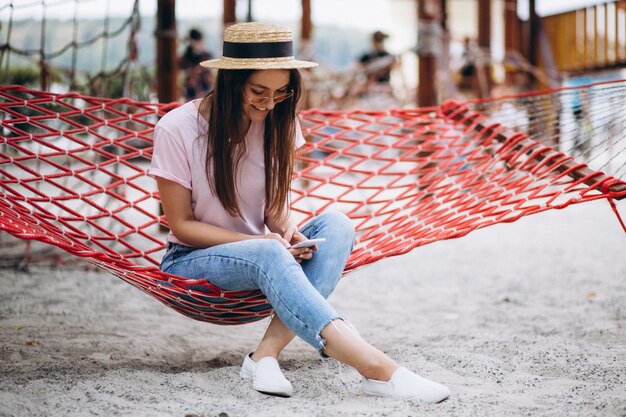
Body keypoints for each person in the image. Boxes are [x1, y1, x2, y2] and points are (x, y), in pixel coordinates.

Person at [149, 22, 450, 403]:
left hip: (264, 252)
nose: (269, 102)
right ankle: (375, 367)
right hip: (191, 263)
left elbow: (275, 205)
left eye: (280, 92)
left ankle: (265, 355)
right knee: (269, 250)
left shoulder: (280, 119)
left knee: (337, 225)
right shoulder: (177, 128)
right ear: (228, 81)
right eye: (258, 91)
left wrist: (290, 232)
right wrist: (262, 242)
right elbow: (182, 226)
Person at [179, 28, 214, 100]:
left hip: (206, 93)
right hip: (191, 95)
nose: (201, 44)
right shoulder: (185, 59)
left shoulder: (206, 56)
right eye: (198, 42)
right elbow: (181, 78)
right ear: (193, 42)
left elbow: (210, 77)